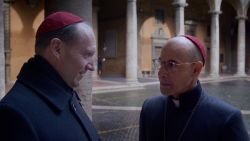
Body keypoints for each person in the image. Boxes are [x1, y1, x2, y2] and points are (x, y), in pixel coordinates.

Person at [0, 12, 100, 141]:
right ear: (57, 49)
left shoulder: (65, 89)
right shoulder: (13, 115)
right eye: (87, 54)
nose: (92, 66)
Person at [139, 35, 249, 141]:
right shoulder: (149, 108)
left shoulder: (227, 119)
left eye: (171, 64)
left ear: (195, 69)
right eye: (160, 63)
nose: (161, 73)